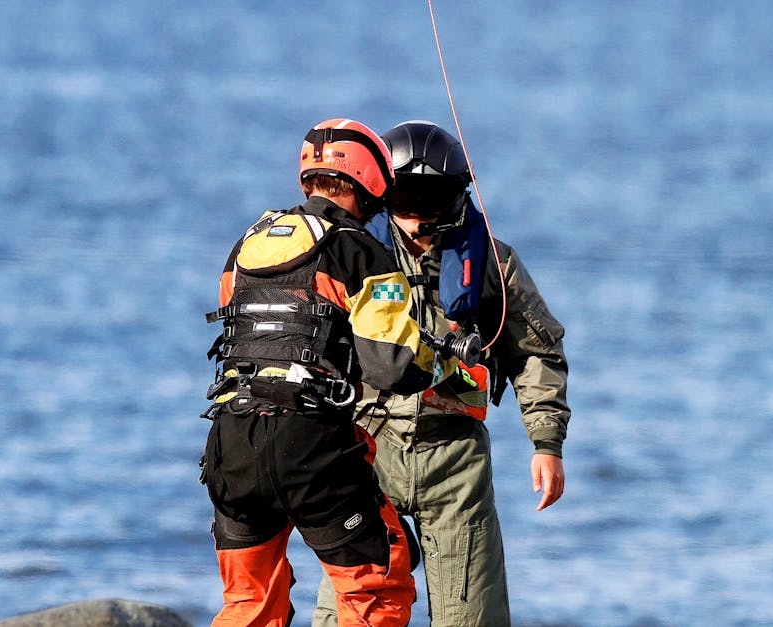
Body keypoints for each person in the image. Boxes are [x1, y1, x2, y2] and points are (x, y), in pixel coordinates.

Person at [201, 118, 463, 627]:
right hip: (311, 447)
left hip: (231, 443)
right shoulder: (361, 251)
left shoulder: (248, 243)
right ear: (370, 178)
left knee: (249, 604)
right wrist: (446, 361)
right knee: (377, 591)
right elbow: (392, 366)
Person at [313, 121, 571, 627]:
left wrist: (547, 442)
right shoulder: (350, 256)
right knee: (352, 610)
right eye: (404, 203)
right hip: (368, 452)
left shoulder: (495, 263)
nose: (417, 220)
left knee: (472, 616)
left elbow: (537, 350)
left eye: (430, 204)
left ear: (455, 198)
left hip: (455, 459)